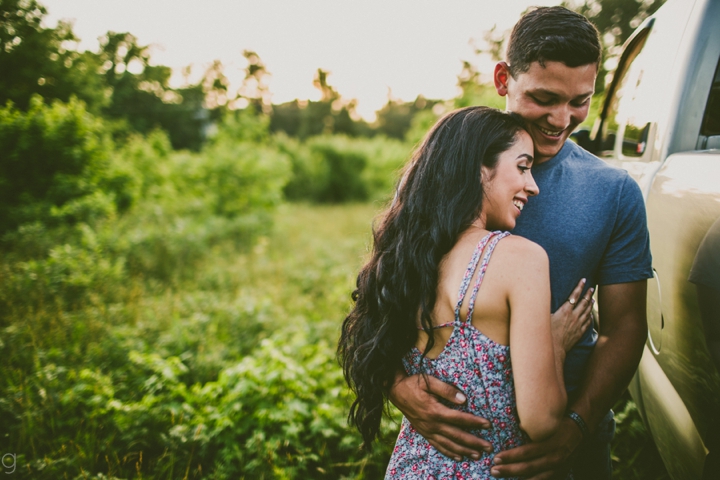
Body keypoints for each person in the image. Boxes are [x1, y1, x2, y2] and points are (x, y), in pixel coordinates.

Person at [388, 6, 653, 480]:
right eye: (544, 97)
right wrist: (398, 387)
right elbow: (386, 291)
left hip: (569, 437)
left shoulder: (613, 192)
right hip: (458, 444)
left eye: (579, 101)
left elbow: (626, 325)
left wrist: (575, 427)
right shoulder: (442, 175)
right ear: (503, 78)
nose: (561, 118)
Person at [338, 106, 594, 478]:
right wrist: (555, 343)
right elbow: (542, 421)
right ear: (479, 168)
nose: (533, 185)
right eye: (522, 167)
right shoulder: (520, 258)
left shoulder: (405, 260)